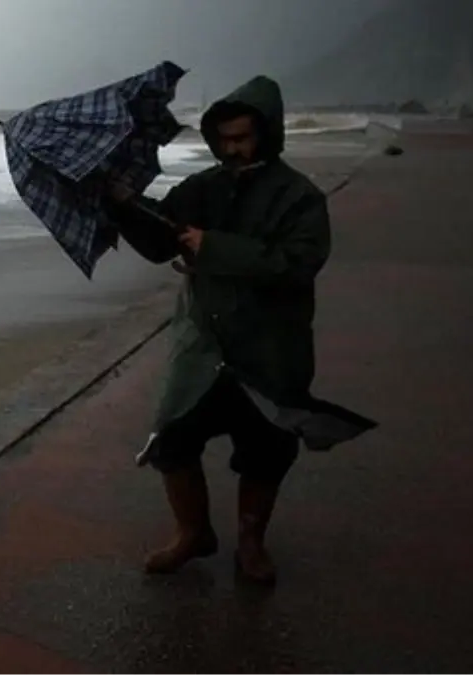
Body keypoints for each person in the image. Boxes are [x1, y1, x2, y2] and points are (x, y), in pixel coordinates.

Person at [106, 75, 331, 585]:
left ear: (267, 133)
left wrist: (216, 248)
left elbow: (297, 265)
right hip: (202, 346)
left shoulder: (301, 198)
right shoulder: (202, 187)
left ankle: (251, 542)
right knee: (171, 440)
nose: (231, 149)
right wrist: (123, 204)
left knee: (266, 451)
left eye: (242, 138)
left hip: (269, 348)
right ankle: (193, 533)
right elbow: (161, 239)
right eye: (223, 139)